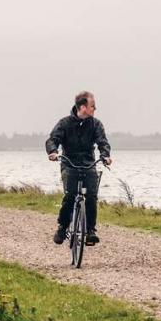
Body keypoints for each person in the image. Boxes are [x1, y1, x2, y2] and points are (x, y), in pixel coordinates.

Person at [46, 90, 112, 245]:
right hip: (69, 163)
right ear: (82, 107)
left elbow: (103, 142)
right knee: (69, 196)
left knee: (92, 197)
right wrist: (53, 152)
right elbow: (52, 139)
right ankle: (62, 227)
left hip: (89, 164)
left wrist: (105, 155)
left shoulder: (96, 124)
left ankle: (90, 230)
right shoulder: (64, 123)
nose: (94, 109)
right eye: (92, 106)